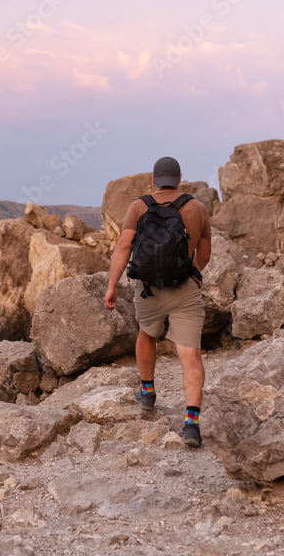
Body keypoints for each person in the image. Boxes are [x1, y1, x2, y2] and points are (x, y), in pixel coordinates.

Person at [103, 156, 212, 447]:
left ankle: (148, 393)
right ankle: (190, 424)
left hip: (148, 288)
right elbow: (204, 254)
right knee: (190, 355)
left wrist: (111, 286)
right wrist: (192, 271)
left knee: (147, 334)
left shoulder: (139, 206)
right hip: (184, 289)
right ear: (180, 178)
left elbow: (124, 247)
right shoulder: (197, 208)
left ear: (154, 179)